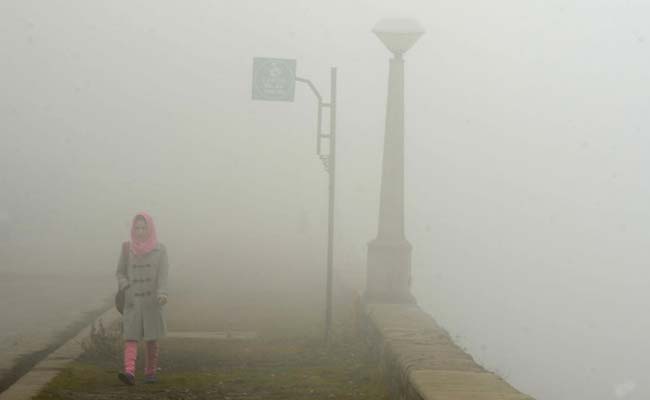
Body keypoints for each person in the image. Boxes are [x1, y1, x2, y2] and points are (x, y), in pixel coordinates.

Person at [115, 212, 169, 385]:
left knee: (151, 338)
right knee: (130, 336)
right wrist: (125, 286)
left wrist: (162, 293)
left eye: (143, 227)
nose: (140, 231)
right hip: (133, 299)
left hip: (152, 300)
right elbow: (120, 272)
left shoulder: (160, 249)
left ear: (150, 228)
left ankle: (150, 372)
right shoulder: (126, 248)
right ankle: (129, 372)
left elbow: (163, 275)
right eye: (137, 227)